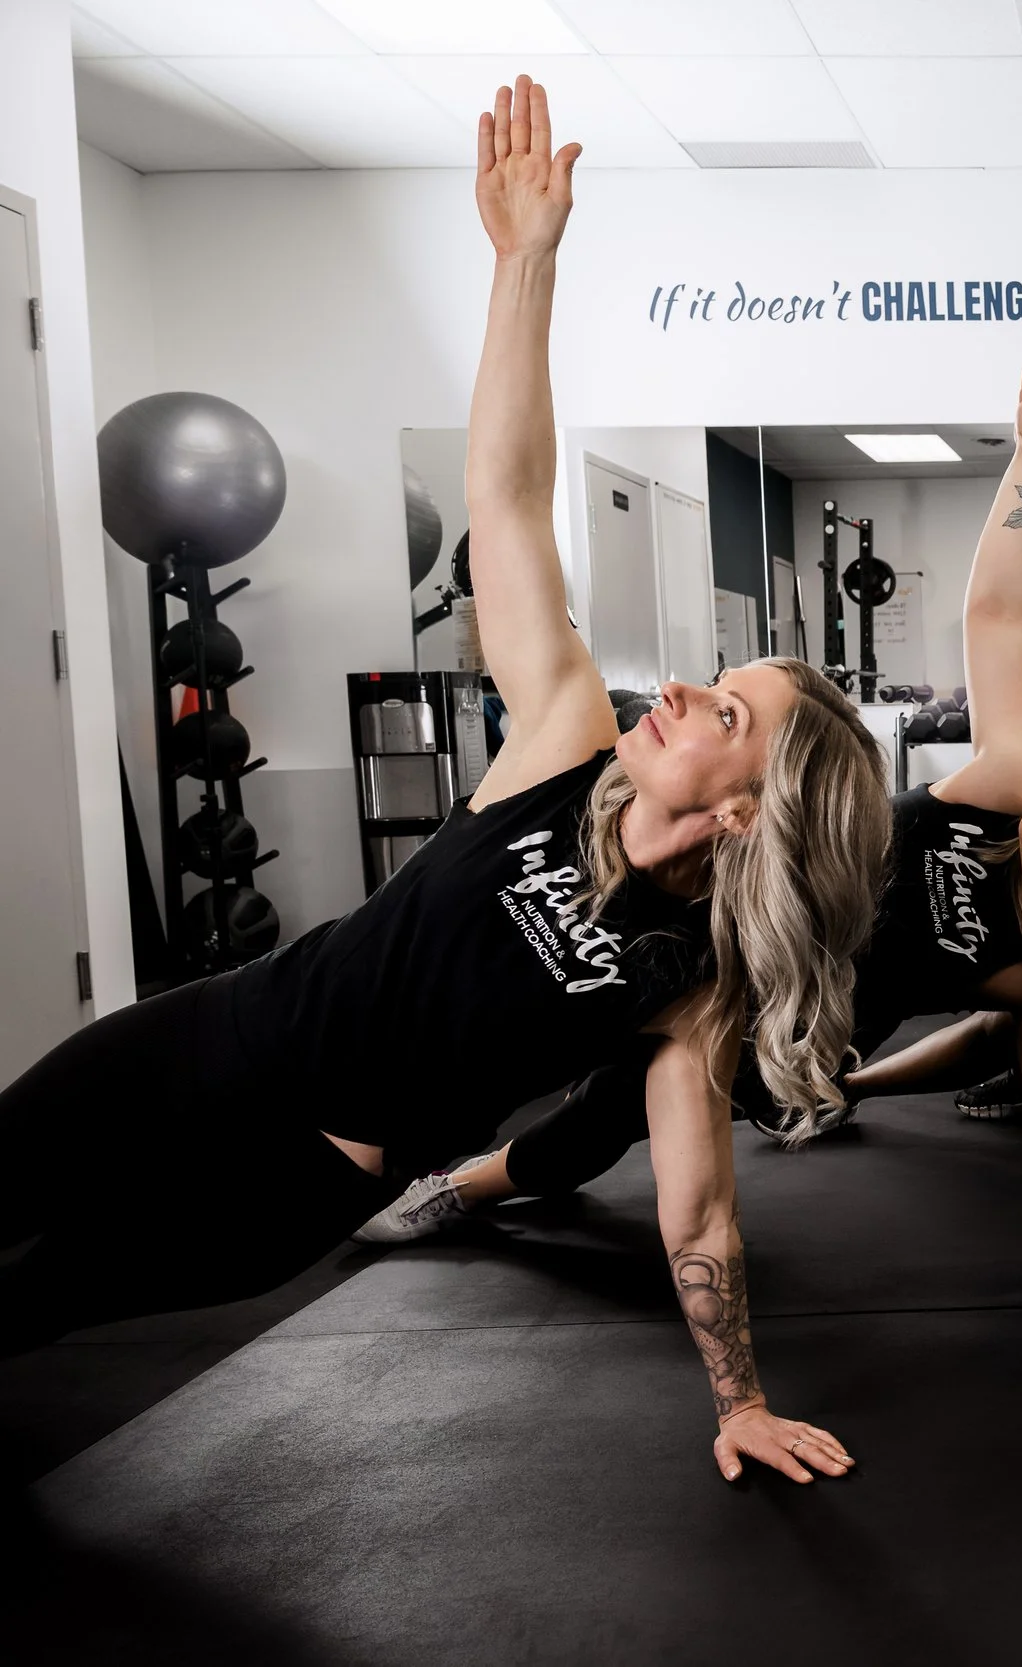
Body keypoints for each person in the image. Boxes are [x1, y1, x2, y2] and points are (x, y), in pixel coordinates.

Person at [0, 78, 891, 1485]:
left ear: (743, 812)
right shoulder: (564, 743)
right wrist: (524, 263)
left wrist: (738, 1397)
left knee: (21, 1304)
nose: (677, 691)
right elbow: (507, 500)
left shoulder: (686, 975)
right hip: (216, 1034)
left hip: (295, 1178)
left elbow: (700, 1209)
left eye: (724, 706)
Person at [361, 325, 1022, 1314]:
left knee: (604, 1117)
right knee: (536, 1026)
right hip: (716, 921)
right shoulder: (1008, 785)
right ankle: (392, 1132)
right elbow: (994, 615)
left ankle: (463, 1185)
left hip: (783, 1028)